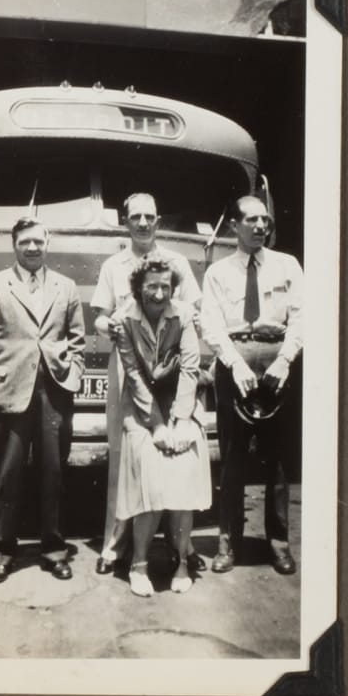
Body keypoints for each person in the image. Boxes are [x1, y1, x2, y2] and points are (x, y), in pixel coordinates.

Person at [0, 217, 85, 583]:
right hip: (9, 392)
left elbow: (78, 340)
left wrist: (73, 375)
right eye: (25, 242)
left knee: (53, 475)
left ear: (47, 243)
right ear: (14, 245)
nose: (32, 248)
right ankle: (2, 552)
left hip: (54, 394)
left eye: (38, 241)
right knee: (7, 477)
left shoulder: (66, 287)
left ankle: (54, 550)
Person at [88, 193, 199, 575]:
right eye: (135, 216)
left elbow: (192, 310)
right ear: (124, 221)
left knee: (175, 458)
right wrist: (112, 325)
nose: (142, 223)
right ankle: (115, 545)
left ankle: (179, 545)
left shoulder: (177, 262)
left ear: (158, 220)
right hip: (128, 369)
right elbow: (100, 317)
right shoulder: (113, 266)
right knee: (124, 459)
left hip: (170, 373)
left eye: (149, 216)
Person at [200, 195, 303, 575]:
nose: (261, 226)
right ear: (234, 225)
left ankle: (279, 545)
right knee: (232, 458)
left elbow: (302, 316)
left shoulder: (287, 265)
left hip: (279, 362)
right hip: (235, 360)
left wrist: (285, 359)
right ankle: (228, 545)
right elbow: (210, 324)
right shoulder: (218, 272)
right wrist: (234, 363)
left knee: (278, 460)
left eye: (265, 220)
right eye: (252, 220)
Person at [108, 255, 211, 598]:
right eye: (151, 286)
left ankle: (180, 562)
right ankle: (139, 565)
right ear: (138, 288)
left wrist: (180, 422)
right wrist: (156, 426)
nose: (158, 293)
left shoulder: (184, 315)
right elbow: (133, 374)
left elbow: (191, 369)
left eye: (165, 286)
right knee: (150, 475)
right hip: (142, 409)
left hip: (181, 404)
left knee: (183, 472)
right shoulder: (123, 320)